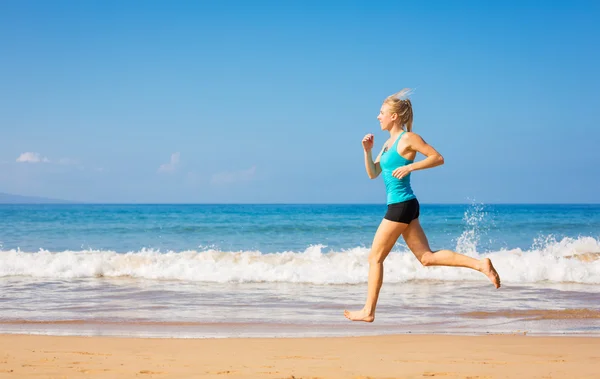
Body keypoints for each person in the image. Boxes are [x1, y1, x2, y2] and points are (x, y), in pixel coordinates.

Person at [344, 89, 501, 323]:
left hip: (400, 206)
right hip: (405, 205)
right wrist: (366, 152)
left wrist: (410, 167)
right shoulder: (387, 144)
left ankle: (368, 311)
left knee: (374, 259)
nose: (378, 117)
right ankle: (480, 265)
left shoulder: (408, 138)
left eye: (382, 112)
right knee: (426, 258)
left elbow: (437, 157)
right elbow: (373, 173)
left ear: (394, 116)